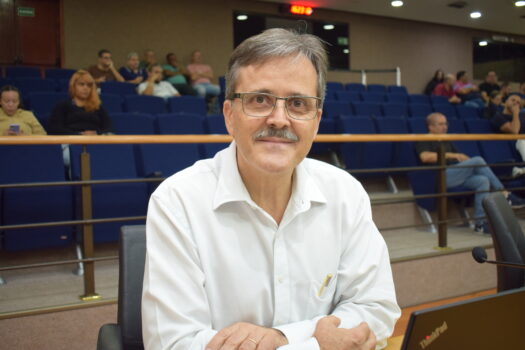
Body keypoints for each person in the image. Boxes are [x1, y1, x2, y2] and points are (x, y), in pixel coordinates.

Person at [142, 28, 400, 350]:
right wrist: (317, 343)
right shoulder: (177, 201)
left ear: (316, 121)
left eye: (298, 103)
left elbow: (376, 310)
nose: (279, 119)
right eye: (260, 100)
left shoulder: (345, 193)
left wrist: (282, 337)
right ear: (229, 116)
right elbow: (174, 344)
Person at [416, 113, 524, 234]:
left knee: (482, 180)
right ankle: (503, 192)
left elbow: (462, 159)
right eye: (441, 124)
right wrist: (455, 155)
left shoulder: (446, 140)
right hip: (438, 177)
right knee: (477, 160)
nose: (445, 127)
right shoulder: (424, 138)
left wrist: (471, 162)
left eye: (446, 123)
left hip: (456, 174)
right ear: (430, 127)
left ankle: (480, 223)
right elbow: (425, 157)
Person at [47, 70, 113, 135]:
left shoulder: (97, 107)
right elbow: (55, 129)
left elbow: (109, 128)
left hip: (95, 142)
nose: (85, 88)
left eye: (89, 85)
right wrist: (79, 134)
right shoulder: (62, 106)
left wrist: (97, 133)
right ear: (73, 86)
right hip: (71, 142)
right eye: (81, 84)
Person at [490, 94, 525, 176]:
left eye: (518, 103)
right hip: (515, 144)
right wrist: (516, 113)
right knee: (522, 140)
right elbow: (514, 132)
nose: (516, 103)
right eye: (513, 100)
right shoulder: (498, 117)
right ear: (506, 102)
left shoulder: (522, 117)